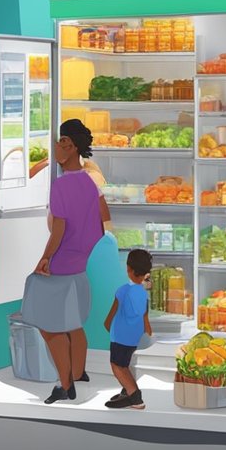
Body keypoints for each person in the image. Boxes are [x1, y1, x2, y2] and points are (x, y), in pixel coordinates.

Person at [27, 119, 111, 405]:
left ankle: (65, 386)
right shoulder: (90, 183)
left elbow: (59, 228)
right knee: (74, 321)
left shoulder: (61, 186)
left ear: (71, 147)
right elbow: (103, 218)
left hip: (62, 262)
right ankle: (78, 373)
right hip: (81, 261)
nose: (56, 148)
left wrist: (45, 258)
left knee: (50, 326)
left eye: (62, 143)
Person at [103, 249, 153, 410]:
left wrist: (107, 325)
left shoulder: (123, 290)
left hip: (120, 336)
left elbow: (113, 313)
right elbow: (145, 316)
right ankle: (127, 389)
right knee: (125, 363)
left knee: (117, 365)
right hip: (134, 336)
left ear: (128, 269)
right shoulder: (143, 293)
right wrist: (147, 331)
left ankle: (134, 396)